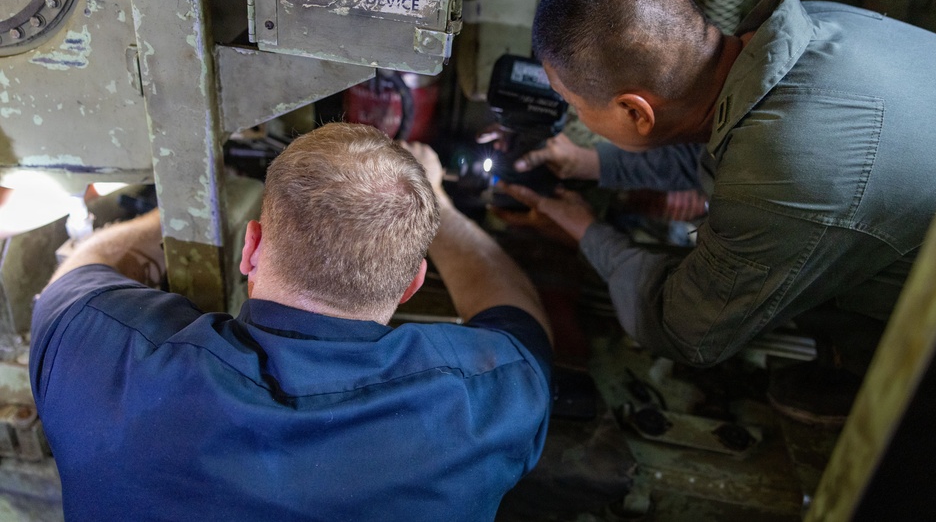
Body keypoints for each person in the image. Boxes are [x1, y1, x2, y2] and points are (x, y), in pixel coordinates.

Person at [501, 0, 936, 377]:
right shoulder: (812, 29)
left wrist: (585, 232)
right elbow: (728, 153)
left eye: (575, 102)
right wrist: (593, 162)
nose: (572, 109)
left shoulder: (788, 163)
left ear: (634, 110)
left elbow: (686, 331)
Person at [30, 123, 552, 521]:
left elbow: (74, 277)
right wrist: (438, 205)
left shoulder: (99, 357)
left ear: (251, 246)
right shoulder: (488, 401)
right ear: (413, 284)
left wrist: (182, 208)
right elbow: (514, 312)